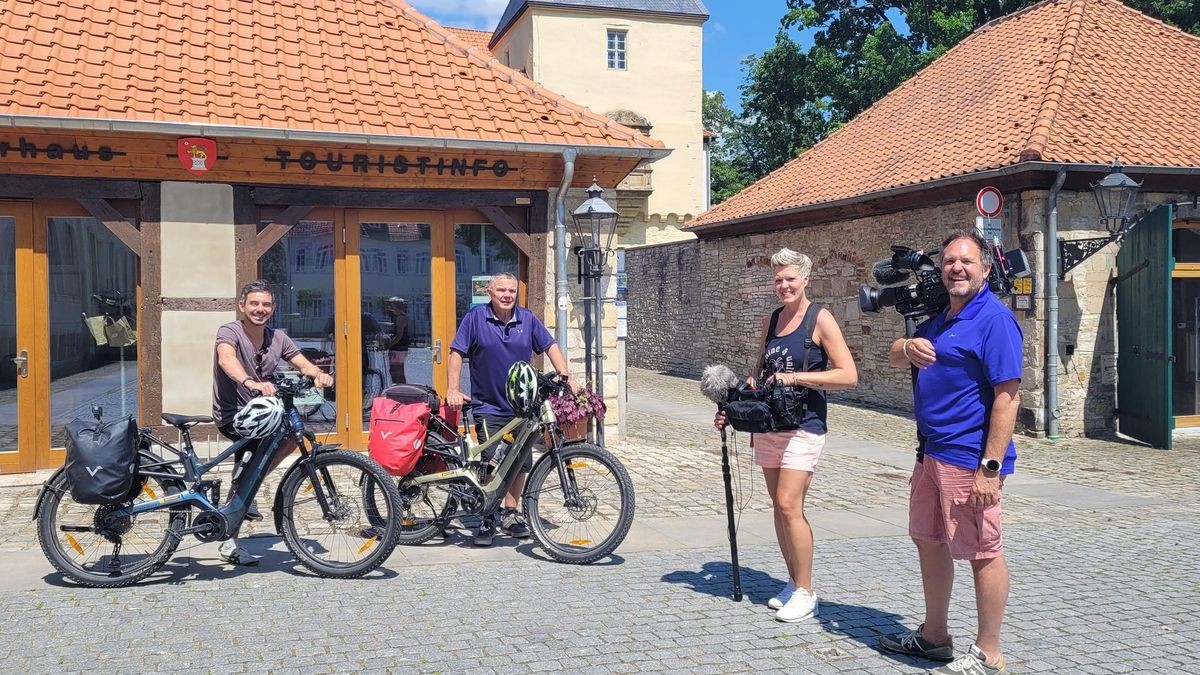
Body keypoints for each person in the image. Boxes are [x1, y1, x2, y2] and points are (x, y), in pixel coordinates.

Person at [877, 231, 1022, 675]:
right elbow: (896, 355)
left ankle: (989, 652)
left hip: (968, 457)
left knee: (982, 551)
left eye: (966, 261)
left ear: (984, 269)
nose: (956, 268)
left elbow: (1008, 396)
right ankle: (934, 637)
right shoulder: (942, 317)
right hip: (930, 454)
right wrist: (907, 346)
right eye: (950, 262)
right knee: (928, 539)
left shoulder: (994, 319)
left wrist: (989, 468)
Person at [715, 248, 857, 623]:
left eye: (790, 278)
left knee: (790, 504)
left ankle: (807, 591)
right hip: (770, 427)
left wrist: (797, 378)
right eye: (778, 279)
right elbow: (759, 374)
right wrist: (737, 407)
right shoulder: (772, 320)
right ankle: (794, 583)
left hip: (805, 425)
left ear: (806, 279)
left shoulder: (820, 319)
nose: (784, 285)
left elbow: (848, 375)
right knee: (779, 508)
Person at [446, 272, 579, 546]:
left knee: (520, 462)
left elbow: (550, 346)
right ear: (490, 293)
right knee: (492, 460)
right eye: (501, 290)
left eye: (511, 291)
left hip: (522, 407)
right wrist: (453, 389)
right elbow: (456, 353)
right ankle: (488, 517)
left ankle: (510, 513)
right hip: (488, 404)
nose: (507, 295)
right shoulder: (475, 319)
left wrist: (565, 374)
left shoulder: (527, 319)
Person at [213, 280, 333, 565]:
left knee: (291, 436)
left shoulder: (277, 337)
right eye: (254, 303)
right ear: (242, 306)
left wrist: (318, 374)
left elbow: (301, 361)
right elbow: (225, 358)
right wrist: (249, 381)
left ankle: (246, 486)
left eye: (266, 304)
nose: (260, 309)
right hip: (234, 413)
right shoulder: (229, 331)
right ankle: (232, 532)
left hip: (262, 412)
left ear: (273, 308)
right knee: (272, 438)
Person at [383, 296, 409, 385]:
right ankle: (398, 388)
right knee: (394, 370)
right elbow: (394, 326)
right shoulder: (400, 317)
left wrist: (390, 344)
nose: (391, 308)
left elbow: (399, 335)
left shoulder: (400, 318)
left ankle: (401, 389)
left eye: (392, 306)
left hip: (399, 348)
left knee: (397, 371)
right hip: (399, 348)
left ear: (397, 307)